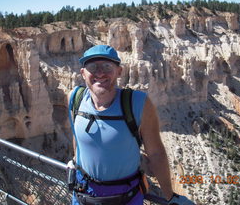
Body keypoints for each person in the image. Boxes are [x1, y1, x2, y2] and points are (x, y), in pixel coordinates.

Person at [68, 45, 194, 205]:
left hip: (125, 197)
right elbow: (76, 136)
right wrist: (75, 160)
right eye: (92, 67)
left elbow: (155, 153)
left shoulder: (138, 103)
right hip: (82, 194)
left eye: (107, 67)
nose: (100, 73)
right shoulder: (74, 98)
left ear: (119, 71)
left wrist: (170, 196)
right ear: (83, 73)